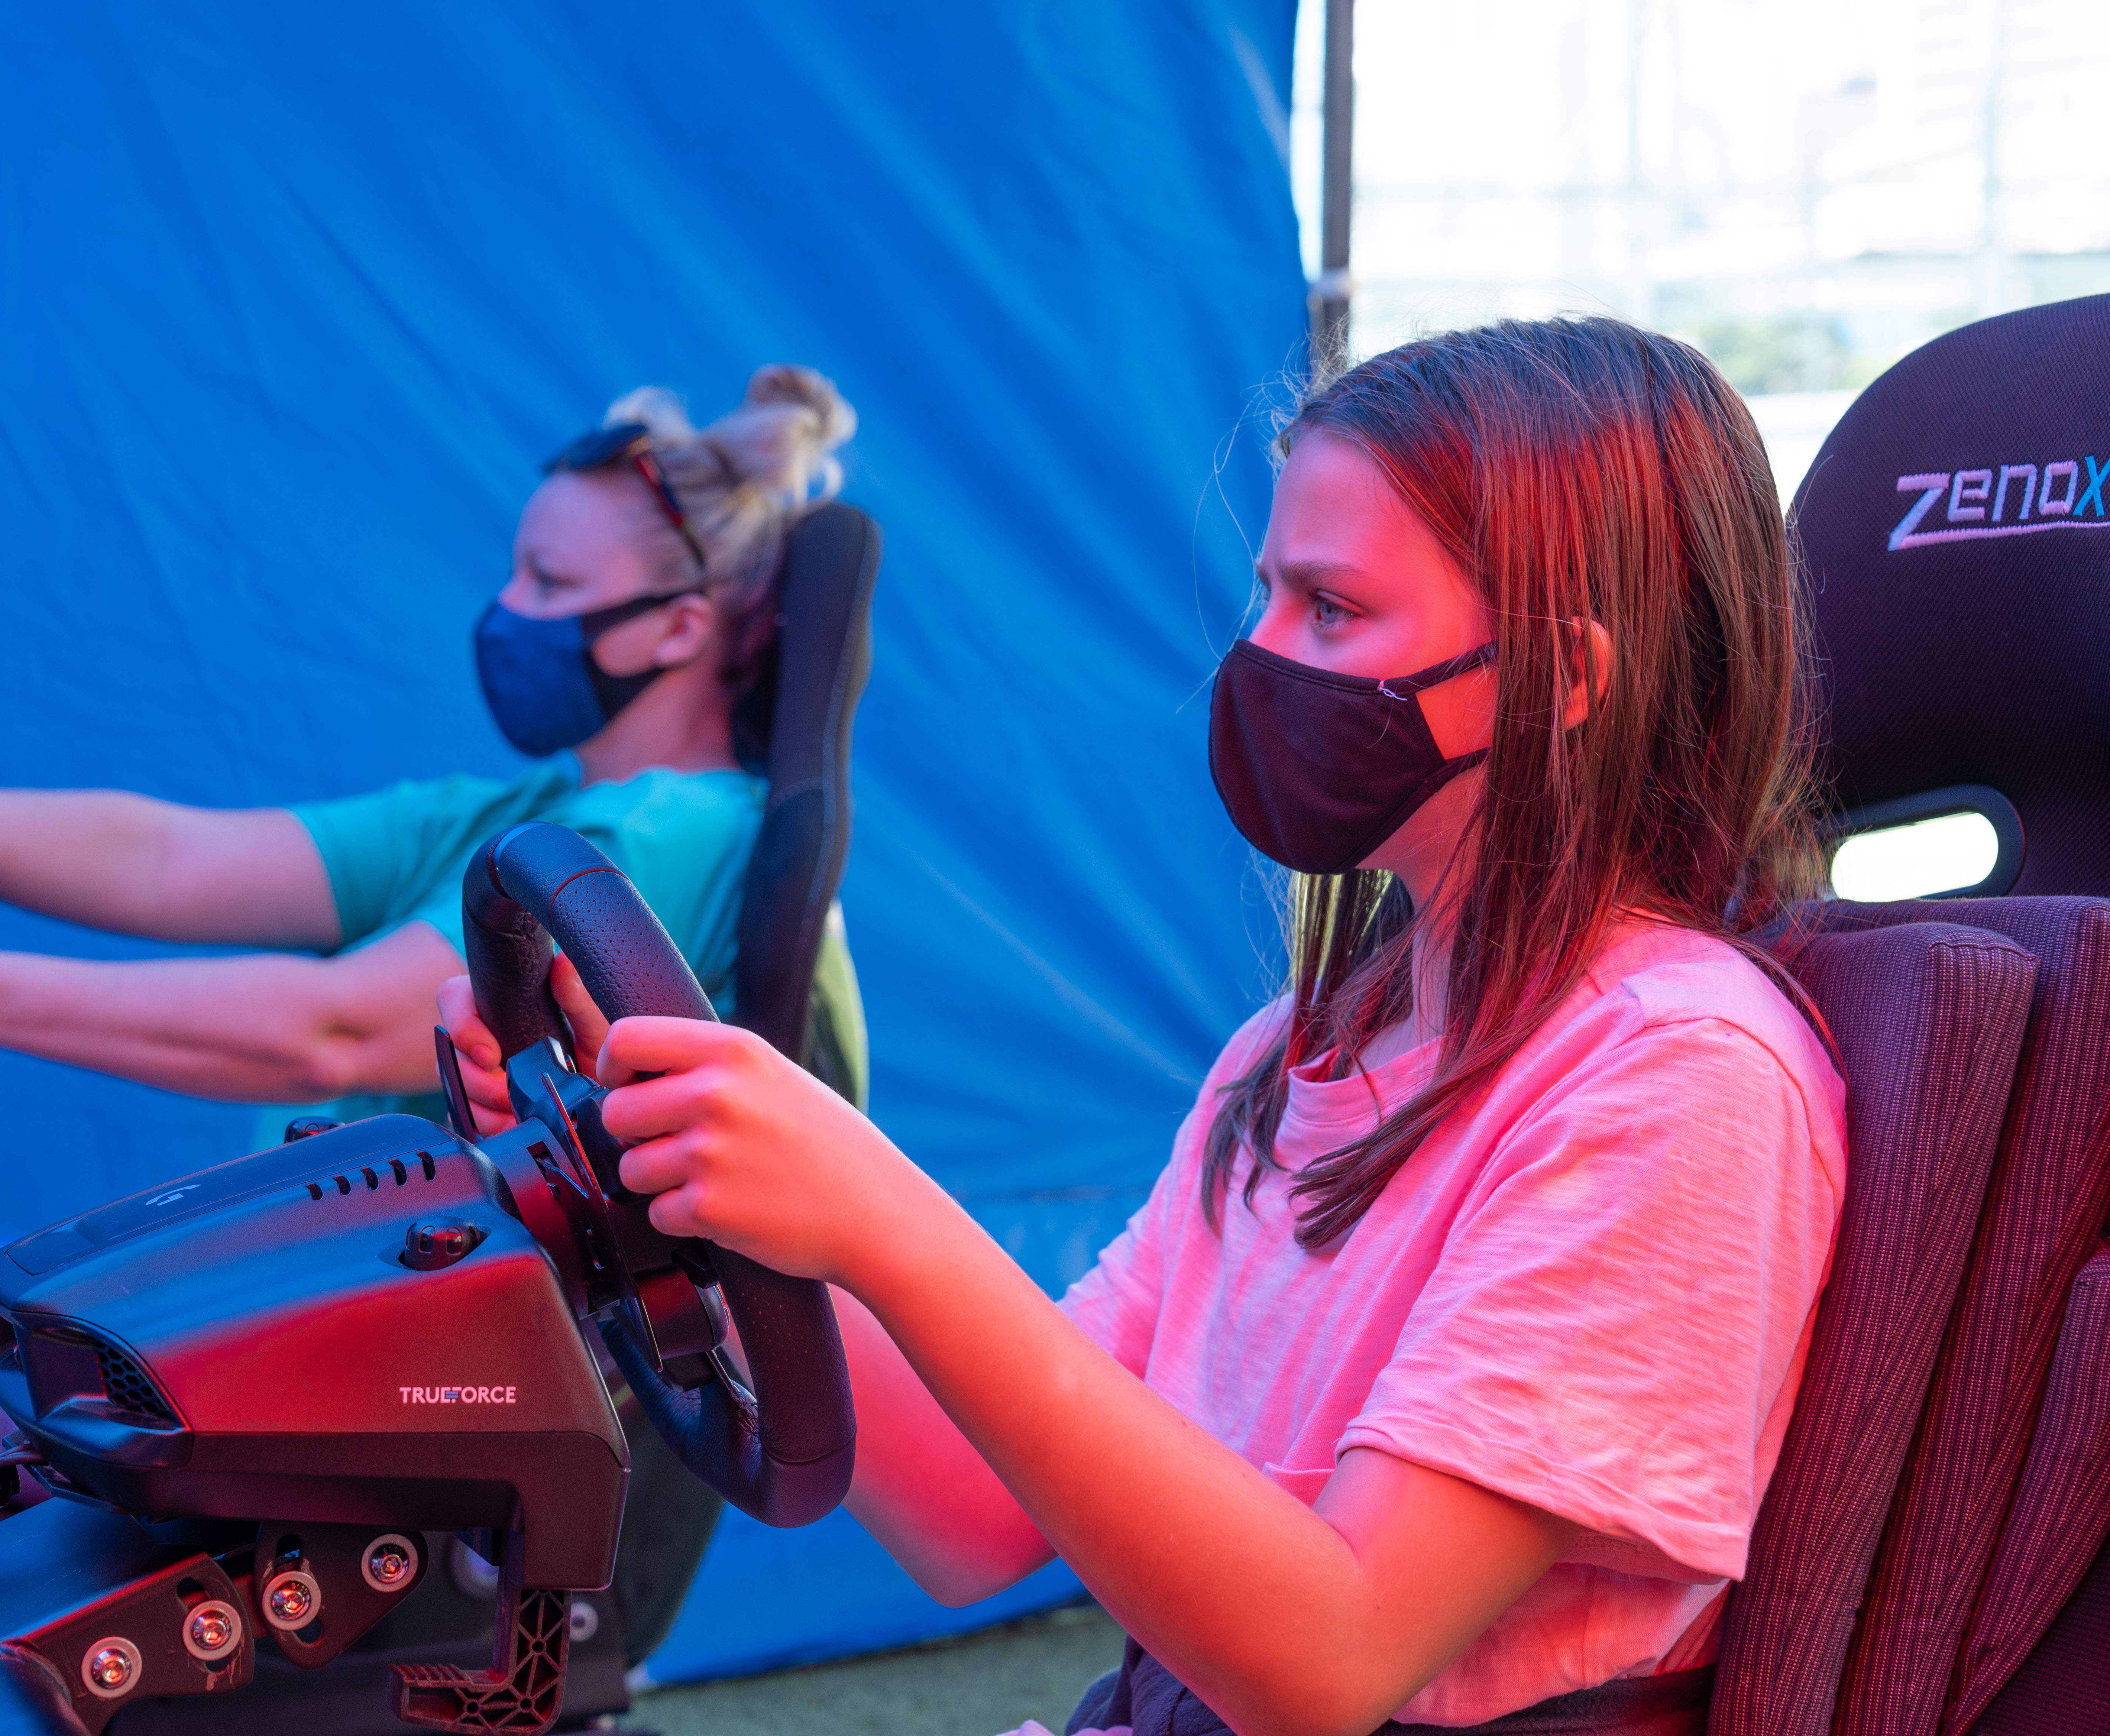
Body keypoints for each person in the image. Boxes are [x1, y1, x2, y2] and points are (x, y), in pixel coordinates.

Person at [443, 319, 1844, 1736]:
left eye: (1331, 610)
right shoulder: (1294, 1058)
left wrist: (877, 1212)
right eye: (1266, 596)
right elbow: (980, 1518)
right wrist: (662, 1175)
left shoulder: (1676, 1078)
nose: (1257, 655)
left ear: (1564, 682)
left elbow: (1334, 1657)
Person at [0, 364, 860, 1644]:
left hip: (397, 1377)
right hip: (318, 1316)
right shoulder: (523, 811)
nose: (506, 609)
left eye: (550, 584)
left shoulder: (665, 837)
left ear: (680, 626)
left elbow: (332, 1028)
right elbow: (170, 857)